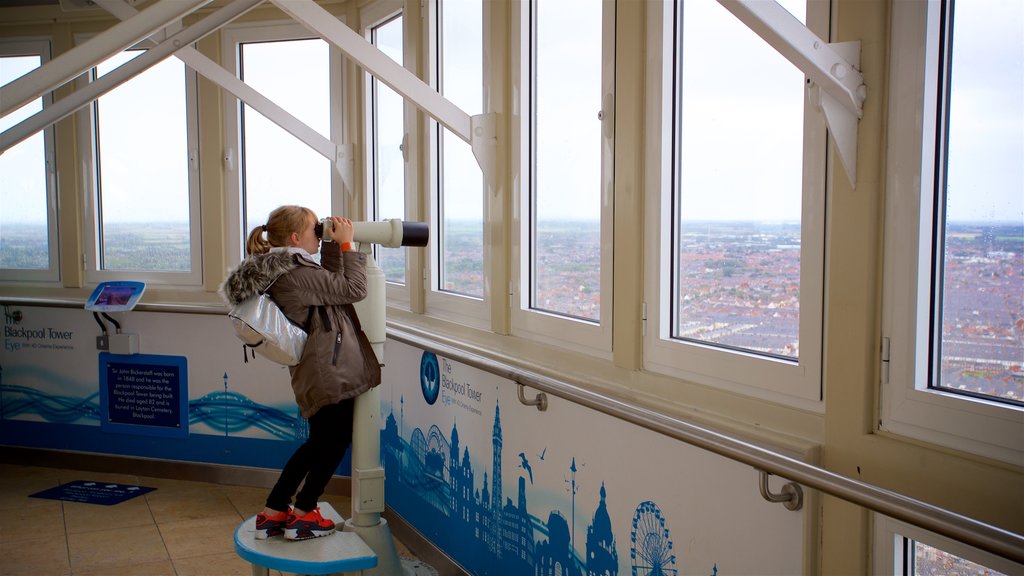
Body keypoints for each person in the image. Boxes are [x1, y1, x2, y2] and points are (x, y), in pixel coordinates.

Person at [219, 205, 381, 541]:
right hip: (327, 370)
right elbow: (353, 290)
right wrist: (348, 245)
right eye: (313, 229)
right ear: (295, 237)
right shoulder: (295, 271)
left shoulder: (290, 267)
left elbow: (330, 288)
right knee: (331, 444)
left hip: (320, 367)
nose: (318, 235)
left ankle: (275, 510)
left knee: (318, 443)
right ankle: (305, 512)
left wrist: (334, 246)